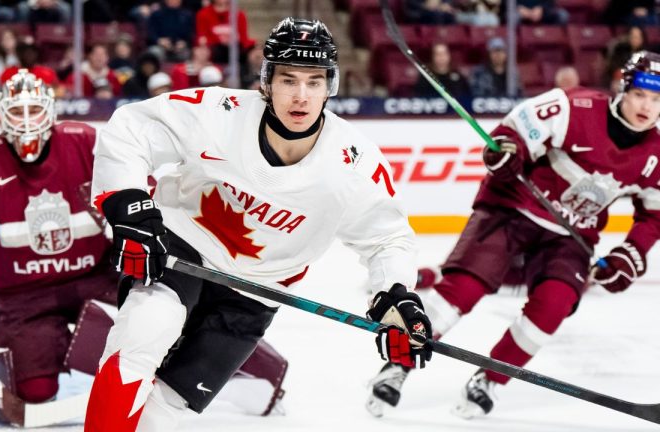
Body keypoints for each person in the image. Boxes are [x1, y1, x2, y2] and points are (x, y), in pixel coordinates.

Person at [84, 17, 432, 431]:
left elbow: (388, 239)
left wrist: (395, 296)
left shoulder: (356, 165)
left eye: (314, 82)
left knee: (167, 410)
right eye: (288, 80)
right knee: (141, 335)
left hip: (257, 290)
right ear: (266, 81)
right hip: (181, 248)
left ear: (330, 86)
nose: (301, 96)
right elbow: (132, 128)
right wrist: (129, 205)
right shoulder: (219, 113)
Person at [0, 68, 288, 422]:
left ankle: (249, 371)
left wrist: (150, 233)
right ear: (0, 116)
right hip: (23, 298)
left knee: (158, 324)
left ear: (50, 111)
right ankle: (1, 353)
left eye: (34, 111)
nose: (26, 123)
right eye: (17, 113)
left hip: (95, 277)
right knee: (36, 391)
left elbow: (135, 185)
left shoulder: (83, 141)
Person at [366, 50, 660, 419]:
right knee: (463, 288)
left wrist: (629, 254)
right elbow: (514, 130)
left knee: (554, 304)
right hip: (514, 209)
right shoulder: (575, 106)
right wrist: (508, 150)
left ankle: (491, 378)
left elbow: (654, 214)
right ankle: (397, 364)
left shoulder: (657, 152)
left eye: (656, 99)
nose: (646, 107)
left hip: (571, 237)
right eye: (640, 94)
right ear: (623, 88)